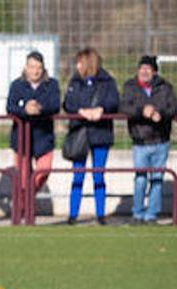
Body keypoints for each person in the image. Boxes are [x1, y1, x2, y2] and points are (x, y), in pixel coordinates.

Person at [62, 47, 118, 226]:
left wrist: (101, 109)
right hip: (80, 133)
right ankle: (73, 215)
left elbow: (114, 101)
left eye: (80, 61)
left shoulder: (107, 81)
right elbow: (68, 103)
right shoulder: (75, 81)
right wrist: (81, 111)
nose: (77, 65)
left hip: (100, 134)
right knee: (78, 176)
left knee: (98, 175)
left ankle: (101, 215)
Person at [123, 55, 177, 225]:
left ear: (155, 72)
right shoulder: (130, 86)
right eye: (142, 68)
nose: (144, 71)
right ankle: (138, 213)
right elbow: (124, 106)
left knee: (157, 179)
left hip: (161, 141)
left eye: (148, 68)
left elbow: (176, 107)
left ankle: (151, 215)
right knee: (140, 179)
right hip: (140, 142)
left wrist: (160, 113)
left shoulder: (165, 87)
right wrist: (143, 110)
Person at [5, 51, 60, 216]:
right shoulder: (17, 85)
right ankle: (23, 212)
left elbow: (55, 105)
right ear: (25, 67)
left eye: (38, 67)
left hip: (44, 137)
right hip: (21, 139)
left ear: (43, 69)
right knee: (22, 179)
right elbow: (10, 107)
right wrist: (25, 109)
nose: (35, 71)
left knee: (44, 171)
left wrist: (39, 108)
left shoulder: (52, 84)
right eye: (32, 67)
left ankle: (27, 198)